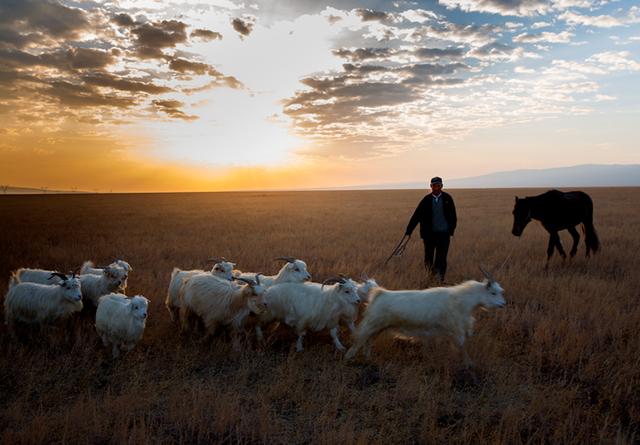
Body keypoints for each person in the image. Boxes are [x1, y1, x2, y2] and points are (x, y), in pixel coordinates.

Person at [405, 176, 457, 281]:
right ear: (431, 186)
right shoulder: (426, 200)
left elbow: (453, 217)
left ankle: (441, 279)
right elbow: (416, 216)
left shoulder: (448, 198)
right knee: (428, 258)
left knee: (441, 258)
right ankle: (430, 277)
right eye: (434, 185)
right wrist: (409, 230)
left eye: (438, 185)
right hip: (429, 235)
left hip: (444, 234)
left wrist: (450, 231)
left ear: (442, 186)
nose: (436, 187)